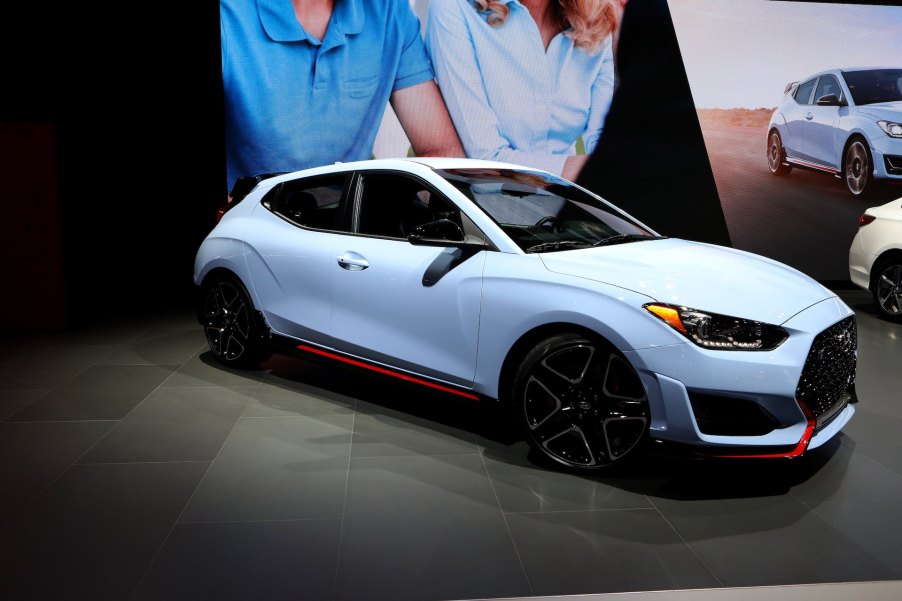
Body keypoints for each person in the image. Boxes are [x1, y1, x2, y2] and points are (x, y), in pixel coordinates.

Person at [221, 0, 464, 190]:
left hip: (346, 231)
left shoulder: (390, 10)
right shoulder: (228, 14)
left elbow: (440, 150)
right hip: (245, 228)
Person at [425, 0, 619, 181]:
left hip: (569, 204)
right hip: (481, 204)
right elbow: (484, 158)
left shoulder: (597, 18)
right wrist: (574, 167)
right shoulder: (453, 8)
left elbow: (605, 140)